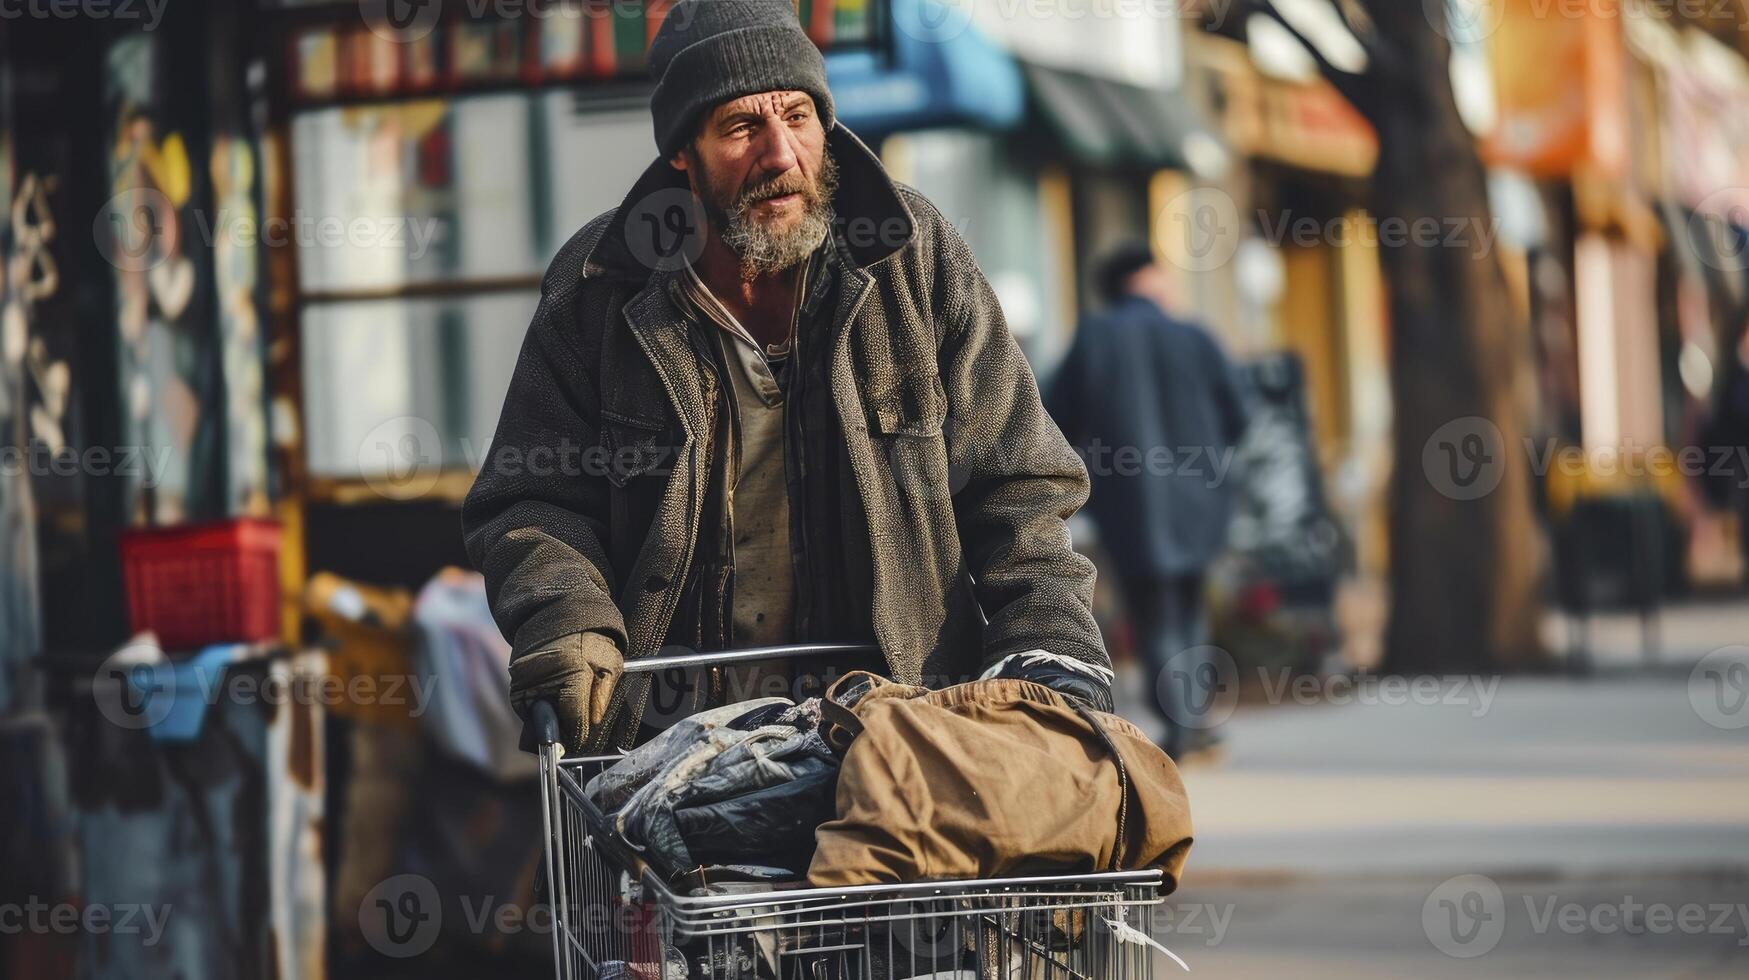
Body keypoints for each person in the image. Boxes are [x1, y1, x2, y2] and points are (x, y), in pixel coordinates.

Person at [462, 0, 1113, 754]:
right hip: (671, 742)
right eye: (742, 127)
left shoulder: (912, 256)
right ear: (682, 150)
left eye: (799, 117)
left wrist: (1048, 645)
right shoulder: (600, 285)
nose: (781, 155)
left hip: (903, 731)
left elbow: (1021, 482)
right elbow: (530, 498)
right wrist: (567, 620)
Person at [1047, 242, 1251, 759]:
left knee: (1154, 612)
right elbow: (1240, 416)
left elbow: (1051, 415)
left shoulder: (1095, 338)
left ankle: (1184, 723)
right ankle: (1193, 721)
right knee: (1188, 609)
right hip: (1200, 502)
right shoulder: (1193, 336)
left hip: (1130, 503)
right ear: (1148, 278)